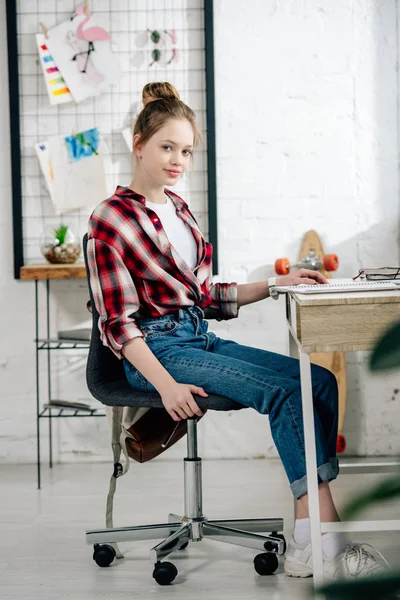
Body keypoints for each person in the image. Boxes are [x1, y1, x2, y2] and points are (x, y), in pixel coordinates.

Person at [87, 81, 388, 580]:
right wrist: (164, 384)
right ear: (138, 143)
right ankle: (324, 540)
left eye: (186, 150)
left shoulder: (180, 212)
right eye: (166, 147)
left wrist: (274, 284)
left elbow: (204, 296)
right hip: (156, 351)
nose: (177, 159)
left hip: (195, 337)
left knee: (319, 381)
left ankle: (309, 530)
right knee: (284, 390)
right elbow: (117, 324)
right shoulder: (110, 219)